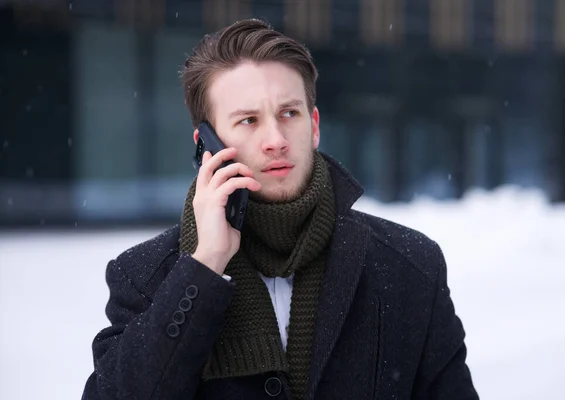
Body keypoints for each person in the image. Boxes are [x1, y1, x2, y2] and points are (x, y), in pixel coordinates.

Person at [82, 18, 478, 400]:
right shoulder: (144, 278)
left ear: (315, 125)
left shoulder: (409, 266)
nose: (276, 139)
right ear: (207, 145)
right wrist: (202, 268)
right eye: (249, 120)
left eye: (289, 113)